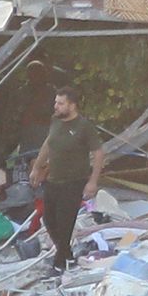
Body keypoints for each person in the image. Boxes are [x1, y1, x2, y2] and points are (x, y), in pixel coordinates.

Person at [32, 86, 104, 264]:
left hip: (73, 182)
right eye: (55, 102)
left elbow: (99, 153)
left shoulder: (84, 126)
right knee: (49, 219)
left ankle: (59, 263)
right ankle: (66, 254)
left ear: (72, 106)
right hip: (53, 180)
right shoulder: (55, 121)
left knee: (65, 223)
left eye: (60, 103)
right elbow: (48, 144)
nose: (56, 106)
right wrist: (37, 167)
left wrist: (92, 182)